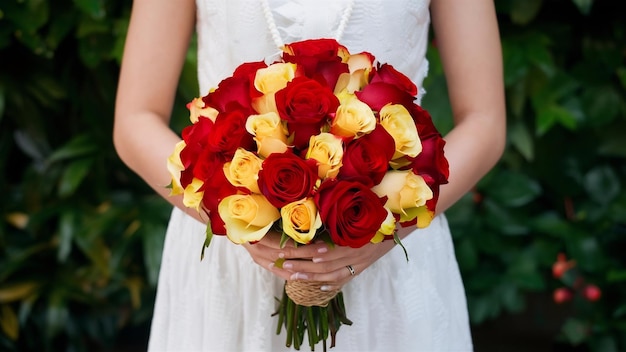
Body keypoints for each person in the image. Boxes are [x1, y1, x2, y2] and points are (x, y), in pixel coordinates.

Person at [114, 0, 505, 350]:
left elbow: (485, 122)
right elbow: (135, 120)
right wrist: (230, 214)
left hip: (392, 251)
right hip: (231, 262)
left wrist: (388, 231)